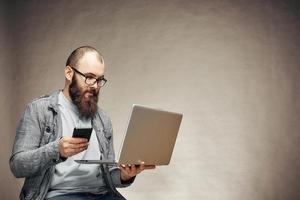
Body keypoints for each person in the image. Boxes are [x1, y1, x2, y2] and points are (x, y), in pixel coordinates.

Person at [10, 46, 155, 200]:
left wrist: (125, 175)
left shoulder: (103, 118)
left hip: (102, 195)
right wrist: (56, 150)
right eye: (89, 77)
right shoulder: (39, 110)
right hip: (58, 195)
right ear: (69, 73)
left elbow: (110, 174)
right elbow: (18, 166)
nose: (94, 85)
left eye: (99, 80)